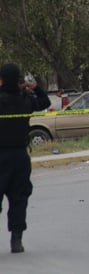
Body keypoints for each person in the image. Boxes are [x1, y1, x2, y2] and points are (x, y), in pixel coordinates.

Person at [0, 63, 51, 253]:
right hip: (20, 157)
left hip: (1, 156)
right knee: (19, 199)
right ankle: (16, 240)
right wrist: (35, 87)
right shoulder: (26, 100)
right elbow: (45, 102)